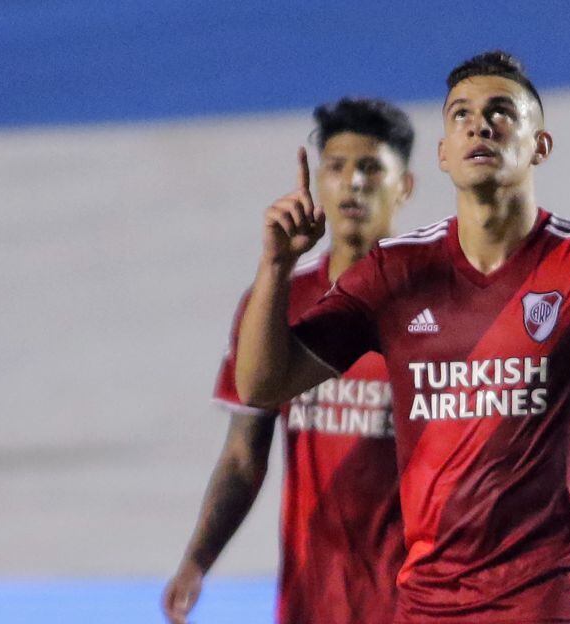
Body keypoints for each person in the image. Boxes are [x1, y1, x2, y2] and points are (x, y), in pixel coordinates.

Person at [234, 51, 570, 623]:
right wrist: (276, 267)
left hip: (554, 603)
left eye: (501, 112)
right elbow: (260, 386)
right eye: (461, 115)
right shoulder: (393, 273)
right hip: (429, 607)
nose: (480, 124)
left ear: (539, 146)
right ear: (443, 154)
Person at [162, 98, 416, 624]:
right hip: (313, 602)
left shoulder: (436, 303)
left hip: (422, 603)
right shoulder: (277, 303)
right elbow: (242, 455)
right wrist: (197, 559)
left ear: (404, 185)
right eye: (338, 167)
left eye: (371, 167)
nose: (354, 183)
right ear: (319, 181)